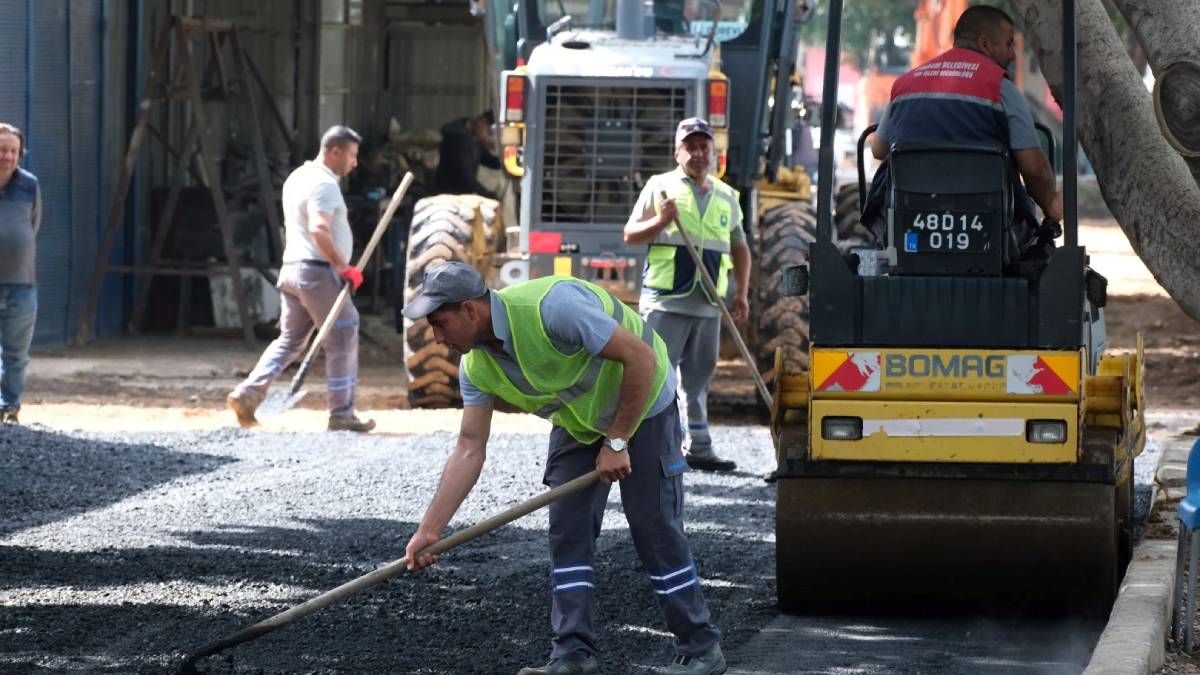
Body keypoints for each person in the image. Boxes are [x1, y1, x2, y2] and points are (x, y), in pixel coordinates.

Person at [402, 262, 726, 675]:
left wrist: (617, 441)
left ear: (470, 310)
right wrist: (430, 530)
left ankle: (701, 648)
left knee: (653, 524)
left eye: (440, 323)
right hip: (581, 422)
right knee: (568, 530)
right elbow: (469, 448)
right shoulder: (476, 368)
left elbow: (640, 358)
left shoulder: (552, 307)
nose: (437, 337)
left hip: (643, 403)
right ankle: (572, 655)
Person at [864, 5, 1063, 247]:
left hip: (910, 224)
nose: (1013, 54)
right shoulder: (1002, 89)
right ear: (985, 44)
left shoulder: (905, 84)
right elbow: (1033, 169)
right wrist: (1052, 206)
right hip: (987, 230)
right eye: (1009, 44)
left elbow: (879, 150)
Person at [227, 125, 375, 433]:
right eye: (351, 155)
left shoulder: (297, 178)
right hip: (317, 271)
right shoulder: (324, 185)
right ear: (334, 151)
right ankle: (342, 412)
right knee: (345, 332)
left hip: (292, 269)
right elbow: (319, 229)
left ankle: (249, 393)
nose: (354, 163)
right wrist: (342, 266)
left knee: (290, 340)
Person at [623, 117, 750, 473]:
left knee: (698, 378)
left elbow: (740, 248)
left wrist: (742, 293)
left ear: (713, 153)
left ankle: (700, 447)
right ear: (678, 153)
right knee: (655, 374)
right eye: (690, 147)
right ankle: (652, 448)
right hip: (667, 299)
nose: (697, 153)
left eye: (703, 147)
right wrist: (661, 222)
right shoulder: (660, 187)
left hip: (709, 302)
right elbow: (631, 235)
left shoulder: (727, 195)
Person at [0, 123, 40, 426]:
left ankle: (9, 407)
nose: (8, 156)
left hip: (21, 285)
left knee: (16, 353)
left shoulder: (29, 185)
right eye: (2, 150)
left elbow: (33, 226)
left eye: (14, 151)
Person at [432, 110, 502, 199]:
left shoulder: (475, 139)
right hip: (447, 196)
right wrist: (488, 194)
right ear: (482, 121)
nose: (487, 137)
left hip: (461, 195)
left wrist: (507, 160)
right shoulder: (456, 140)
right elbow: (465, 176)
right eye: (488, 132)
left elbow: (490, 161)